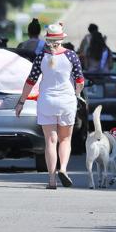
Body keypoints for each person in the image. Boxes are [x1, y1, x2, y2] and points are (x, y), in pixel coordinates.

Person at [16, 23, 84, 189]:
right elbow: (80, 80)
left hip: (47, 101)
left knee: (50, 141)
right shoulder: (71, 56)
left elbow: (30, 81)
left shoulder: (41, 57)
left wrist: (21, 102)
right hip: (67, 101)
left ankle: (51, 180)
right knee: (65, 139)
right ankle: (63, 168)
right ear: (62, 38)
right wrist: (77, 94)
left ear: (47, 38)